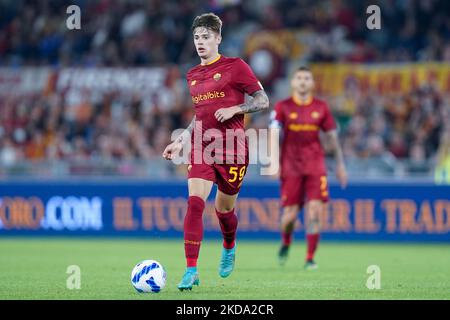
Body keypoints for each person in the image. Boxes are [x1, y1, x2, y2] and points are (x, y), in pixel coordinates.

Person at [162, 13, 269, 290]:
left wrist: (237, 108)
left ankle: (229, 244)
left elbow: (263, 100)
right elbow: (200, 116)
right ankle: (191, 270)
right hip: (203, 147)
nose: (200, 42)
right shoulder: (193, 75)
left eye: (206, 37)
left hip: (233, 149)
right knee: (195, 204)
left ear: (218, 39)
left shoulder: (236, 67)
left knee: (224, 210)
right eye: (197, 37)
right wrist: (181, 140)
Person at [269, 66, 347, 270]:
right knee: (290, 217)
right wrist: (273, 161)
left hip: (315, 165)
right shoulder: (282, 107)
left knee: (314, 212)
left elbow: (332, 137)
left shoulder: (321, 107)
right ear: (293, 83)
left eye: (307, 78)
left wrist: (340, 165)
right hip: (290, 166)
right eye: (299, 78)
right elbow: (273, 134)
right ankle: (286, 241)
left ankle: (310, 258)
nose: (303, 81)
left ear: (312, 83)